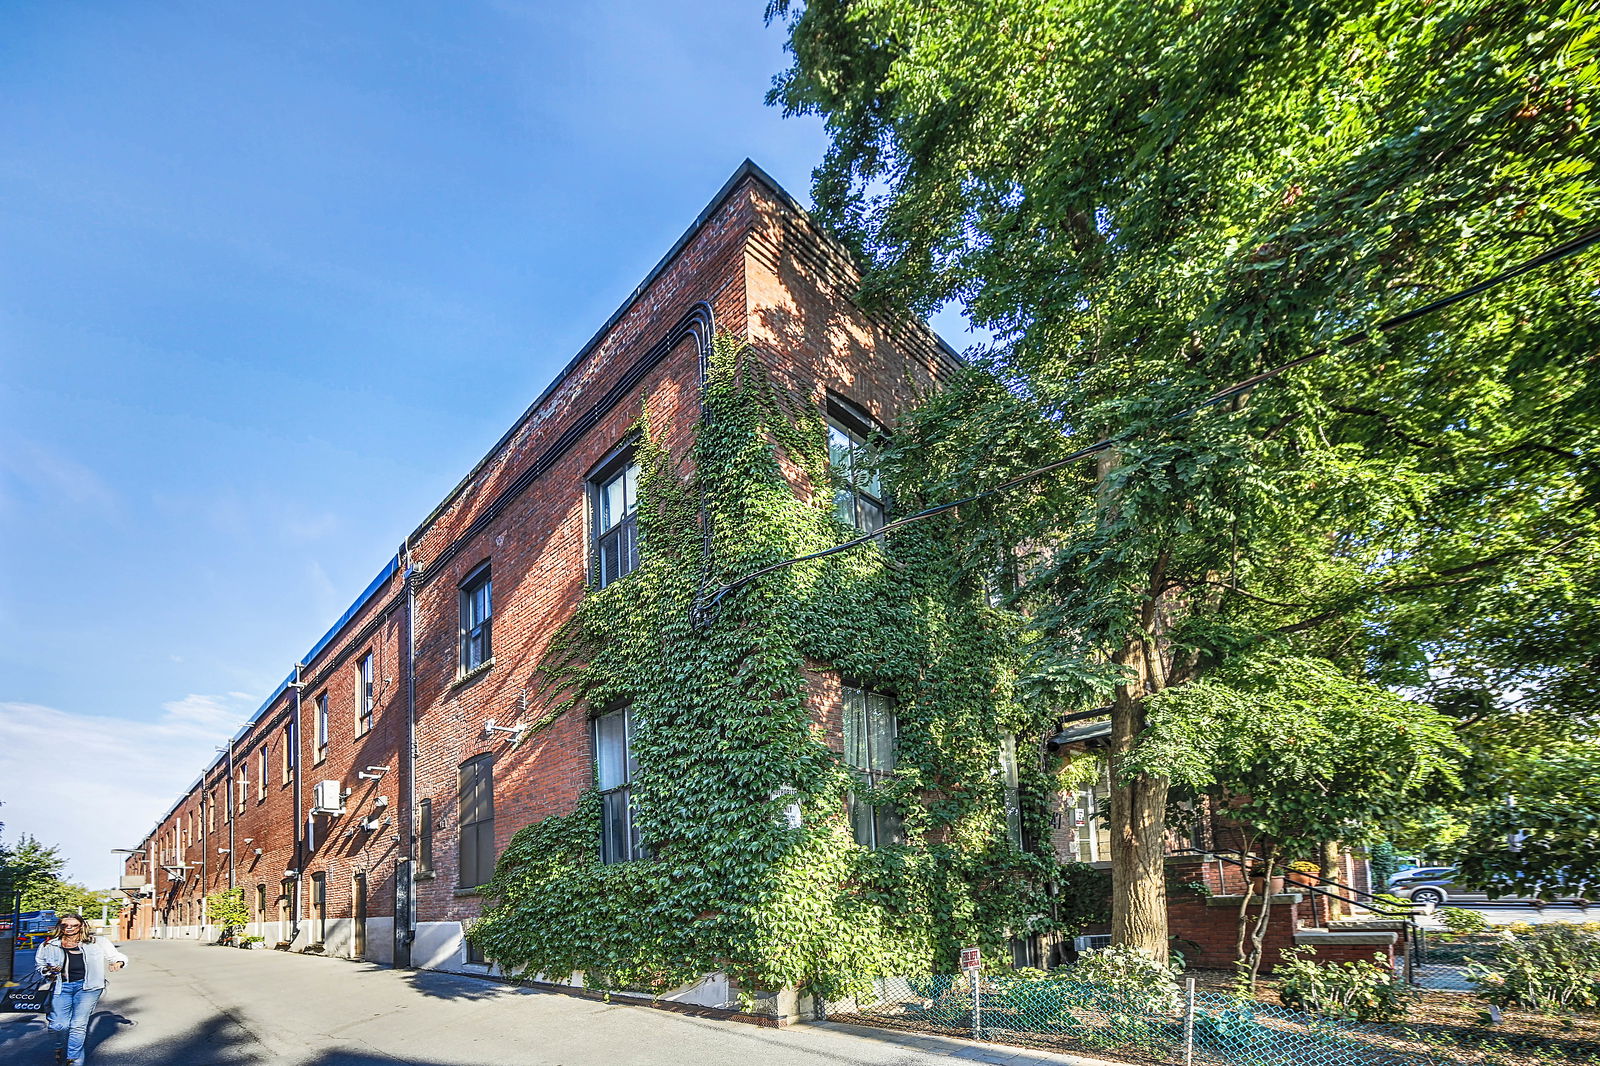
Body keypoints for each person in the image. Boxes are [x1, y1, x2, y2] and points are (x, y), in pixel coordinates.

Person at [35, 915, 128, 1066]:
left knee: (78, 1024)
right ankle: (58, 1045)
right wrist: (48, 971)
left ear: (81, 926)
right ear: (60, 926)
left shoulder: (97, 942)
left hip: (89, 988)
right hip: (61, 987)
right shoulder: (49, 945)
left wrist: (119, 962)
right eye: (65, 925)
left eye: (74, 925)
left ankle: (74, 1061)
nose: (69, 928)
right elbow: (40, 965)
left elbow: (116, 956)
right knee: (59, 1025)